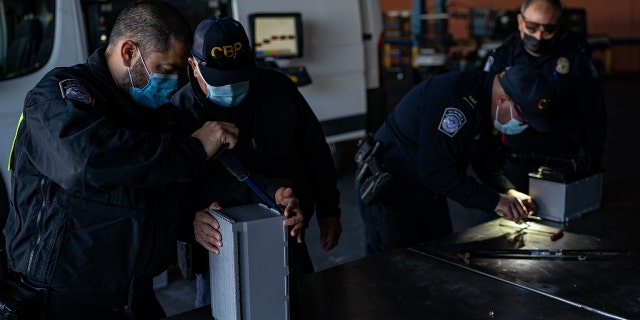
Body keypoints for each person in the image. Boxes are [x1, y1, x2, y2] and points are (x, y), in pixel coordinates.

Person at [1, 2, 304, 319]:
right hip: (62, 299)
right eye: (166, 70)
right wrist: (195, 148)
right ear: (129, 52)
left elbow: (187, 179)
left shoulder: (159, 117)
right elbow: (89, 164)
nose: (174, 83)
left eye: (178, 72)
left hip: (132, 293)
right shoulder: (59, 96)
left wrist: (269, 193)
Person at [170, 16, 341, 309]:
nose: (234, 87)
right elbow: (166, 187)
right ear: (194, 66)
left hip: (285, 233)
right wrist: (189, 222)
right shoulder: (178, 111)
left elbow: (315, 152)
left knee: (299, 307)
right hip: (218, 248)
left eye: (241, 77)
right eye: (223, 81)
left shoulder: (278, 88)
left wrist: (329, 210)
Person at [355, 65, 553, 255]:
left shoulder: (487, 103)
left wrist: (508, 191)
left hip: (427, 190)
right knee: (393, 272)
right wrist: (495, 201)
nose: (523, 125)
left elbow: (485, 158)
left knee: (438, 260)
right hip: (391, 192)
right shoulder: (457, 101)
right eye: (523, 119)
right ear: (503, 100)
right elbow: (435, 171)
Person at [483, 0, 607, 192]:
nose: (539, 36)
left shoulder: (575, 57)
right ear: (520, 22)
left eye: (548, 29)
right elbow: (485, 106)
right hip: (513, 160)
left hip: (560, 159)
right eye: (532, 27)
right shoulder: (503, 57)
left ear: (559, 26)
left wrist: (593, 156)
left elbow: (594, 110)